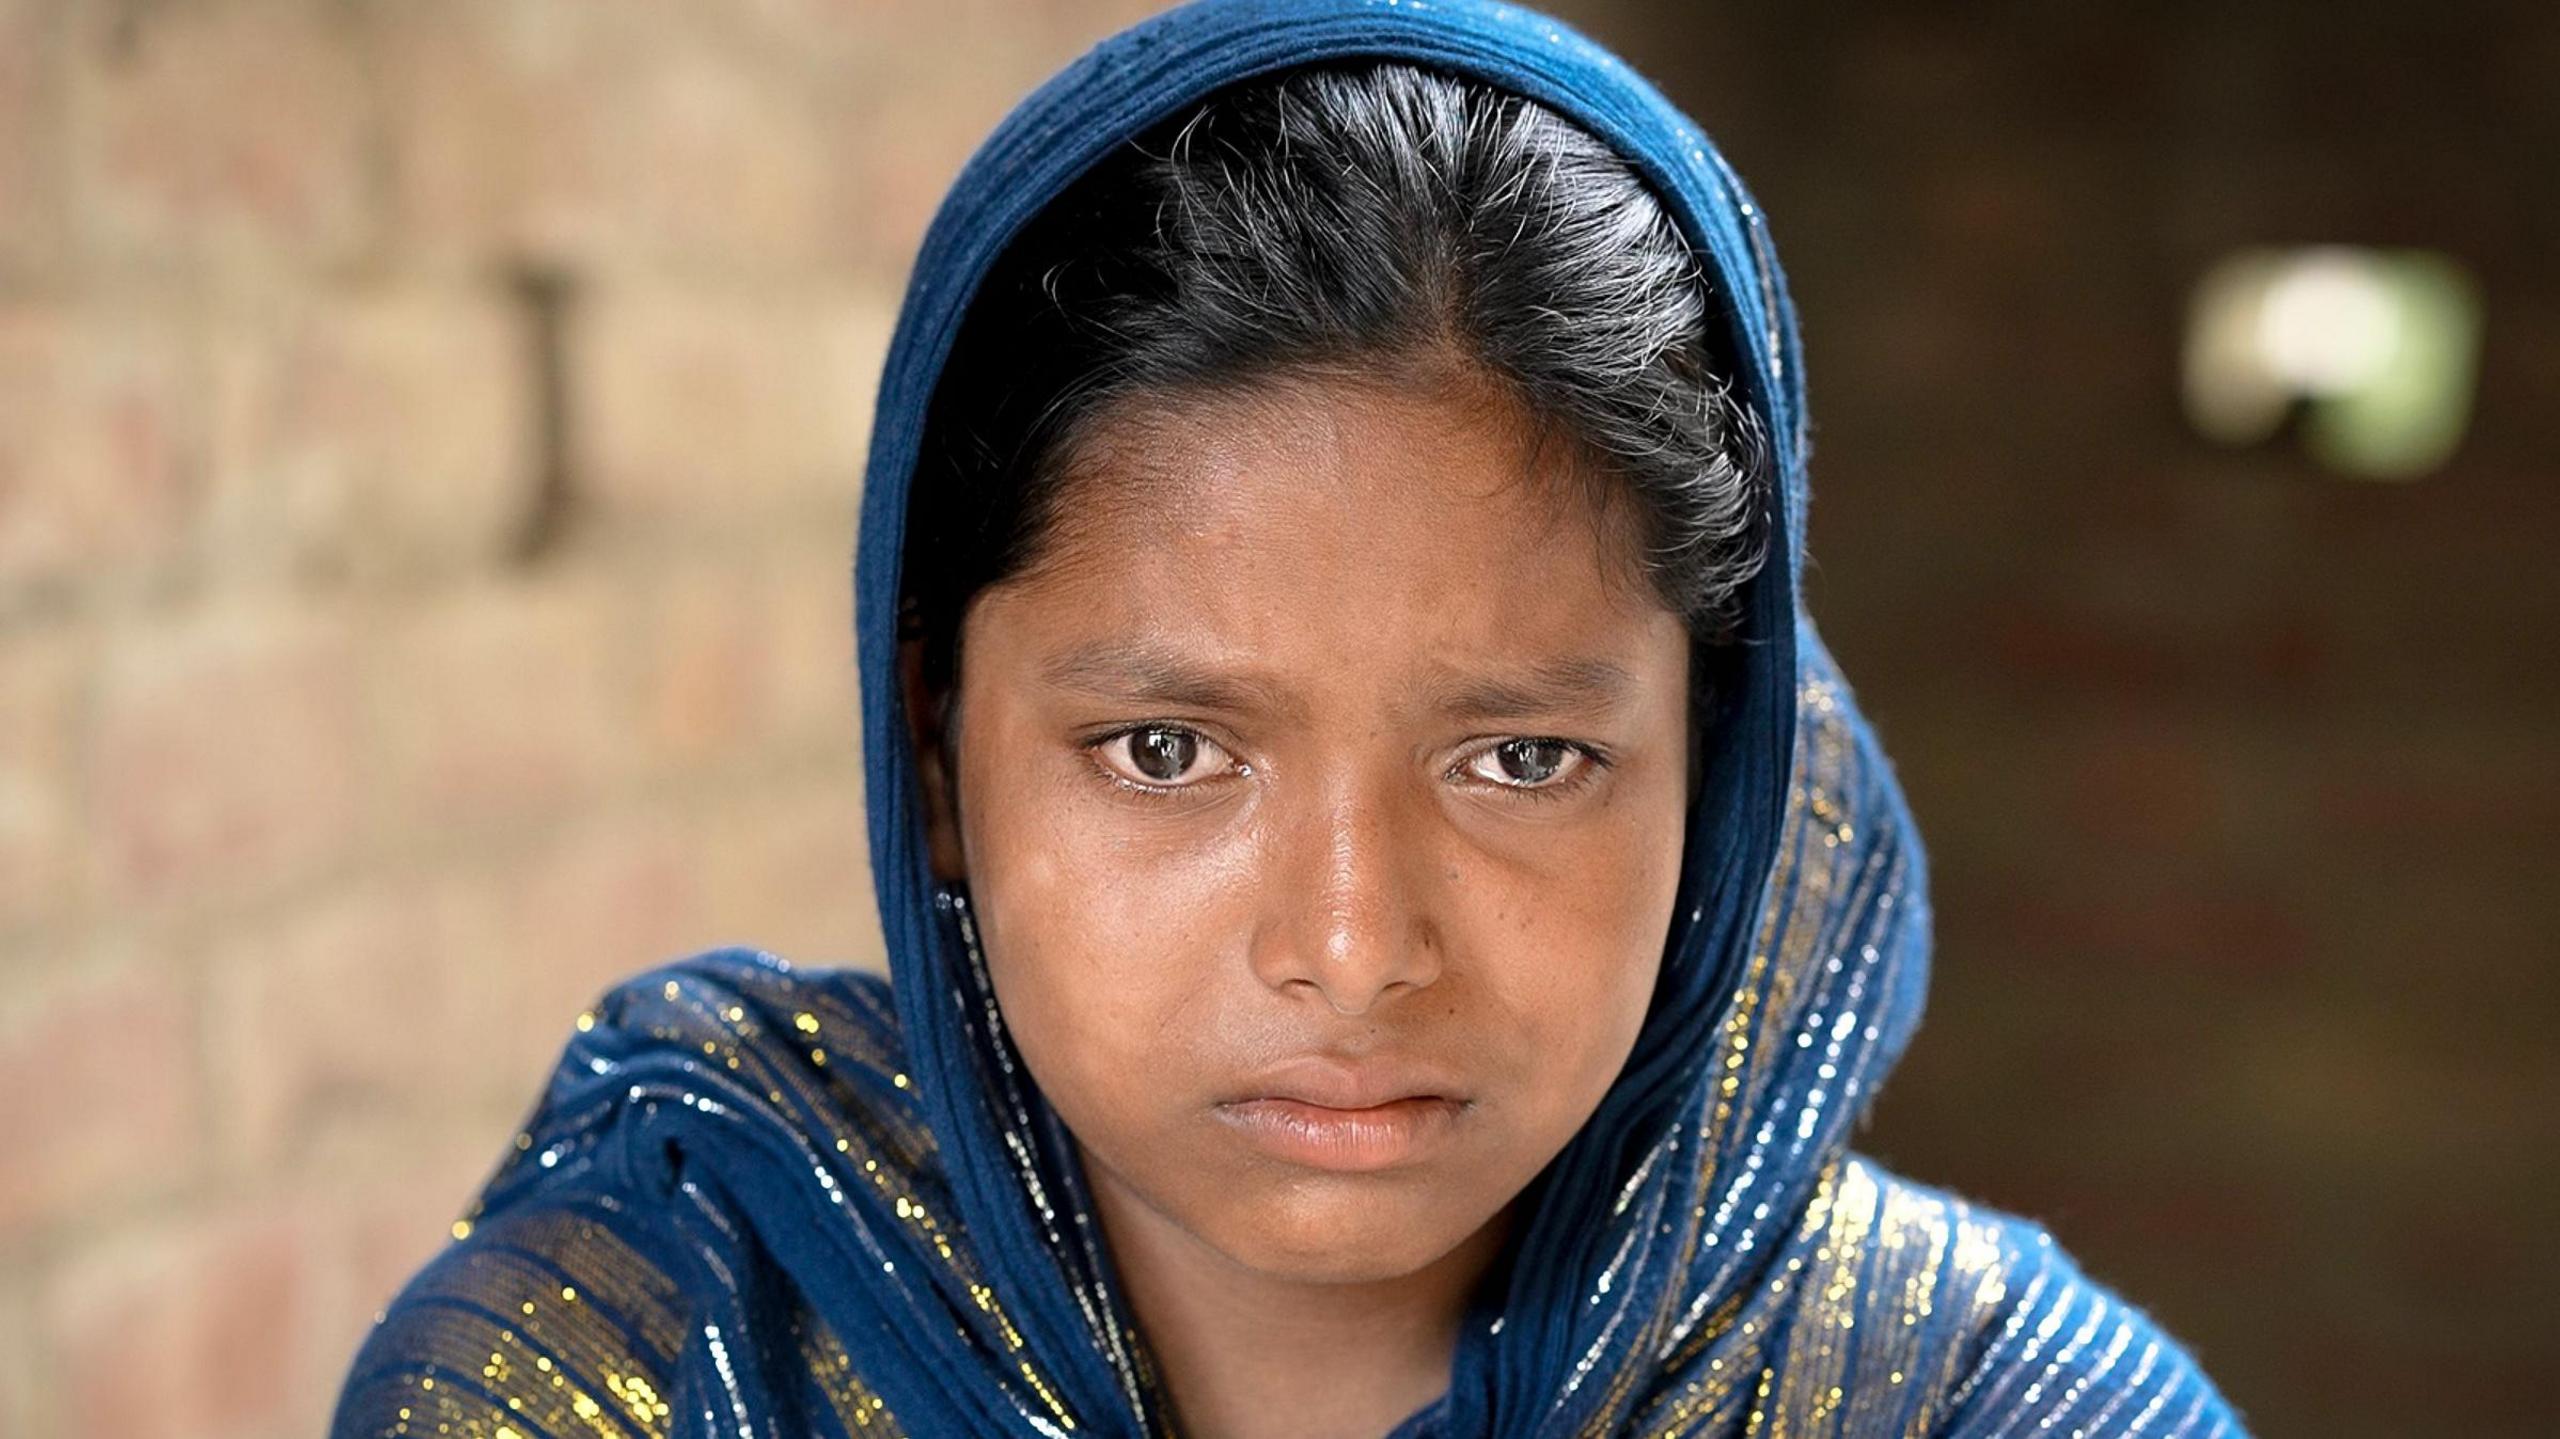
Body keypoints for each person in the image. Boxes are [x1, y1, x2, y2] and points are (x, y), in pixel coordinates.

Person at [331, 1, 2247, 1435]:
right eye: (1170, 752)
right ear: (937, 750)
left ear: (1720, 775)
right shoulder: (633, 1361)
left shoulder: (1988, 1405)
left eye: (1523, 759)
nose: (1350, 946)